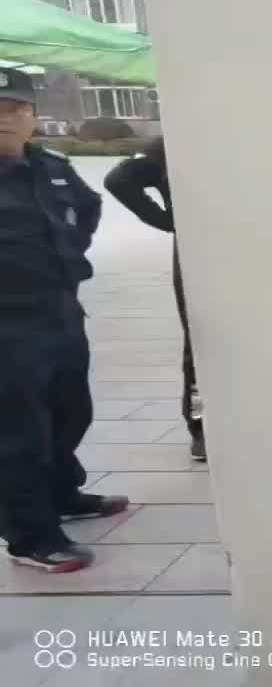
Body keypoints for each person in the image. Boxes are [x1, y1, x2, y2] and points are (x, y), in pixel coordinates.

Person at [0, 67, 129, 573]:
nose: (6, 118)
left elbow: (87, 207)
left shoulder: (50, 167)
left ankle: (61, 494)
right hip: (7, 323)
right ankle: (30, 536)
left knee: (71, 411)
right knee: (18, 433)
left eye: (16, 109)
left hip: (59, 311)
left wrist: (65, 256)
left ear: (33, 116)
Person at [105, 138, 206, 461]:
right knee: (201, 346)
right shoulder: (176, 144)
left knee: (205, 346)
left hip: (226, 255)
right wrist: (167, 221)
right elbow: (118, 180)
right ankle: (201, 427)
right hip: (197, 257)